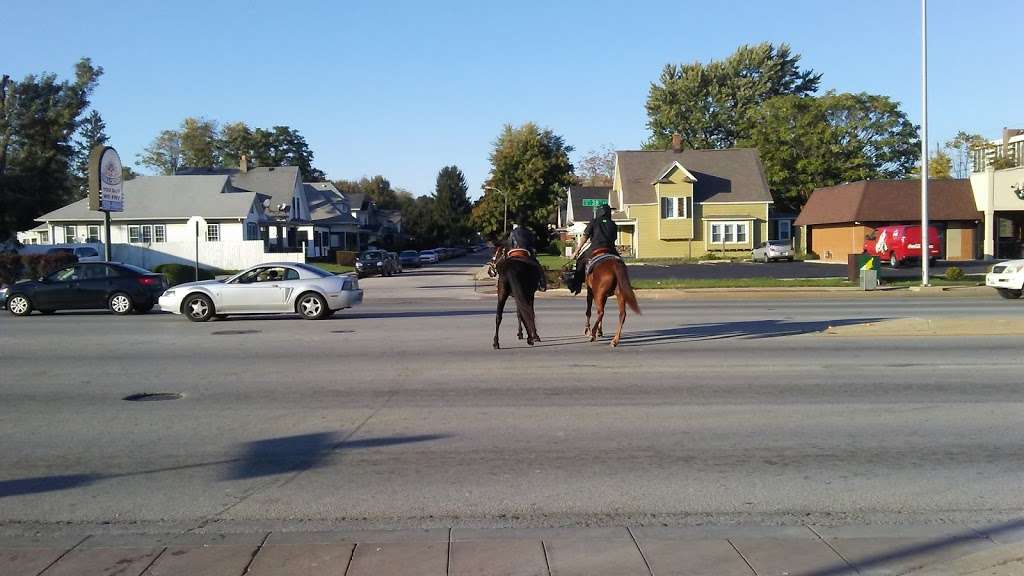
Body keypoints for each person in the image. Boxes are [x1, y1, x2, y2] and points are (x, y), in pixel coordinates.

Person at [569, 204, 619, 294]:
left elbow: (585, 236)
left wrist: (576, 252)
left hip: (595, 248)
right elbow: (614, 238)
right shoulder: (613, 224)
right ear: (607, 212)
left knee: (580, 261)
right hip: (610, 249)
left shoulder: (594, 222)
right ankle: (623, 283)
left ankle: (576, 285)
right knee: (621, 264)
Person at [501, 219, 547, 292]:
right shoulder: (529, 232)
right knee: (538, 266)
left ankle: (502, 282)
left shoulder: (512, 232)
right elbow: (532, 243)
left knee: (504, 266)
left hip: (513, 252)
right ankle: (542, 284)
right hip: (525, 252)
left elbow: (509, 243)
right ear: (525, 223)